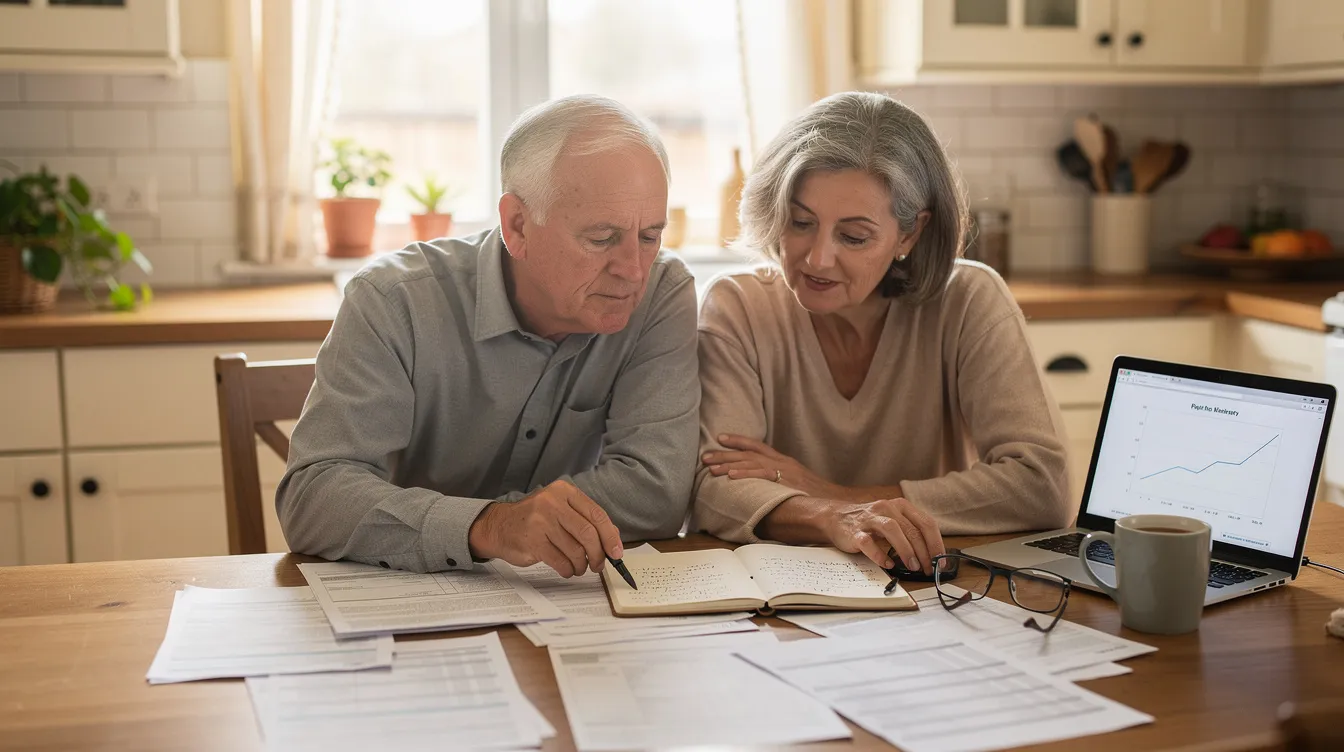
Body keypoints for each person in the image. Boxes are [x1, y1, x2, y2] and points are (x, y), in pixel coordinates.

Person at [278, 95, 699, 576]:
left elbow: (657, 494)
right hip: (411, 607)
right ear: (517, 225)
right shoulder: (394, 300)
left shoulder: (662, 293)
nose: (632, 271)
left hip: (573, 610)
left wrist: (504, 525)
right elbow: (314, 497)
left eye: (649, 236)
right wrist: (490, 526)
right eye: (601, 238)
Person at [691, 92, 1071, 575]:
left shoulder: (970, 299)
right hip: (788, 598)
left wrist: (835, 495)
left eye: (853, 236)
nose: (817, 258)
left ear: (909, 235)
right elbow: (716, 488)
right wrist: (834, 517)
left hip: (932, 585)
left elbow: (1041, 487)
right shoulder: (738, 306)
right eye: (800, 222)